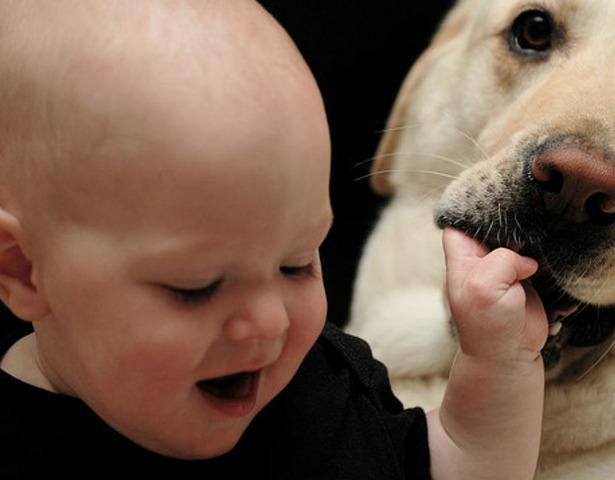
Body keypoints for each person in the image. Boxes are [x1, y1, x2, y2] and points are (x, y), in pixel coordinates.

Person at [0, 1, 547, 478]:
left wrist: (498, 363)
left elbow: (459, 463)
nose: (272, 322)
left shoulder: (323, 387)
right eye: (198, 286)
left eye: (296, 265)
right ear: (23, 269)